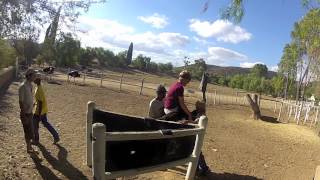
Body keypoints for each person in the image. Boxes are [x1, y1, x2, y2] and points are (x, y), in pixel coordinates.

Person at [33, 73, 60, 145]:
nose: (33, 79)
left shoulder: (39, 89)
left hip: (39, 111)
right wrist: (34, 104)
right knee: (46, 123)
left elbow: (41, 102)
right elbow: (38, 100)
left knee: (34, 125)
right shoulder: (38, 87)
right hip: (42, 110)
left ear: (38, 79)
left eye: (34, 78)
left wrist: (38, 114)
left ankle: (36, 140)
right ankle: (56, 136)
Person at [19, 69, 37, 153]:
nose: (35, 77)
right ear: (29, 76)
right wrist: (23, 115)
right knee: (27, 131)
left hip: (30, 112)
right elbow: (21, 101)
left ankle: (29, 147)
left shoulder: (30, 85)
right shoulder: (23, 86)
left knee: (31, 131)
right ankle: (28, 148)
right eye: (33, 75)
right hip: (25, 113)